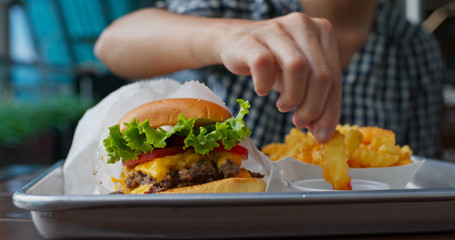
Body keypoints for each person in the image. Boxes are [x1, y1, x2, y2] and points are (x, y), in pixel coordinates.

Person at [94, 0, 444, 158]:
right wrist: (226, 37)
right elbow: (112, 44)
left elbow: (421, 172)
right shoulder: (244, 7)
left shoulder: (416, 47)